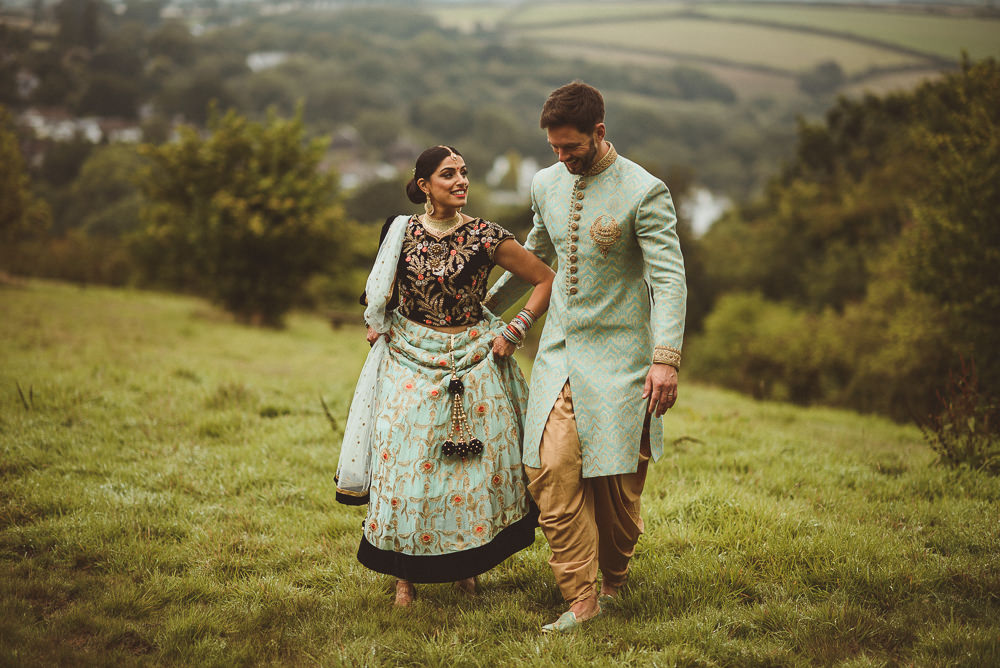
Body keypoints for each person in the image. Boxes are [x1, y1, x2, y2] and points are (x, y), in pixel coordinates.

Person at [484, 82, 687, 632]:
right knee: (548, 469)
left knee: (617, 491)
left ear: (599, 131)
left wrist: (665, 358)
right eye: (554, 148)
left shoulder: (645, 191)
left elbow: (669, 280)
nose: (562, 158)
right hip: (558, 356)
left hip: (623, 362)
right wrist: (478, 306)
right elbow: (536, 255)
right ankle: (581, 597)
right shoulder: (546, 183)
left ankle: (615, 579)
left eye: (571, 148)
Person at [336, 145, 555, 607]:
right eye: (448, 174)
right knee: (404, 468)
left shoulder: (486, 236)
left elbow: (545, 279)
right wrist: (376, 328)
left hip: (475, 361)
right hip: (409, 361)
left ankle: (466, 569)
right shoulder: (399, 232)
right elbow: (381, 292)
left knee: (467, 473)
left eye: (464, 173)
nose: (461, 181)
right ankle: (405, 580)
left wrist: (515, 330)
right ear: (423, 185)